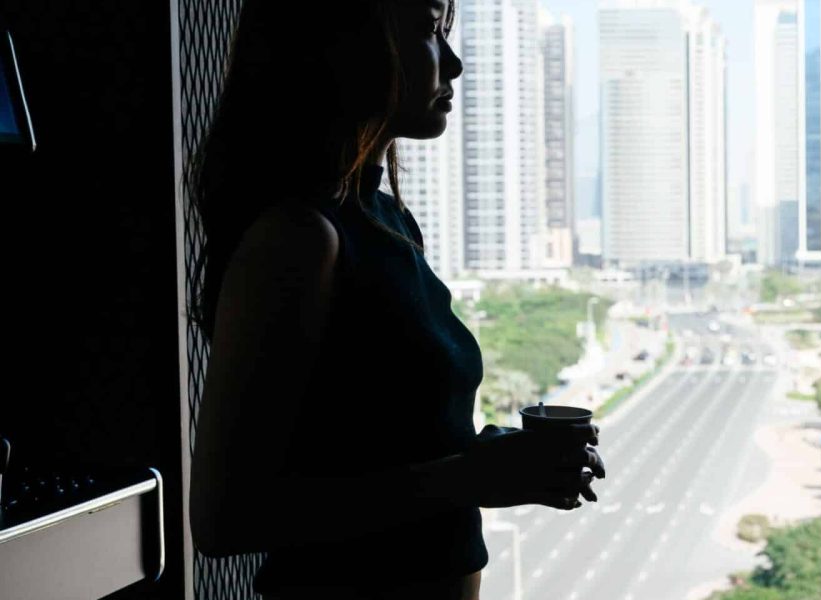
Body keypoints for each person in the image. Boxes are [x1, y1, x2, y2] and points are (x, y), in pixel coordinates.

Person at [186, 2, 604, 598]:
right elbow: (227, 518)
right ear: (344, 40)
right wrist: (469, 478)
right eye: (430, 30)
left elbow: (373, 445)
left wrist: (491, 461)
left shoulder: (385, 220)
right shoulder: (300, 239)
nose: (453, 63)